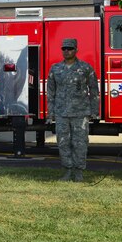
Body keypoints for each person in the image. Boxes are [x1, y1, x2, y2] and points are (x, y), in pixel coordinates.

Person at [46, 38, 98, 182]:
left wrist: (94, 111)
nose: (67, 51)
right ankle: (68, 170)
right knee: (63, 142)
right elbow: (50, 92)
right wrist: (51, 112)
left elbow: (94, 90)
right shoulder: (55, 68)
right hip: (61, 112)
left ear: (76, 50)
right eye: (64, 48)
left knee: (80, 143)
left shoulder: (85, 68)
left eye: (69, 48)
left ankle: (79, 172)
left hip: (80, 112)